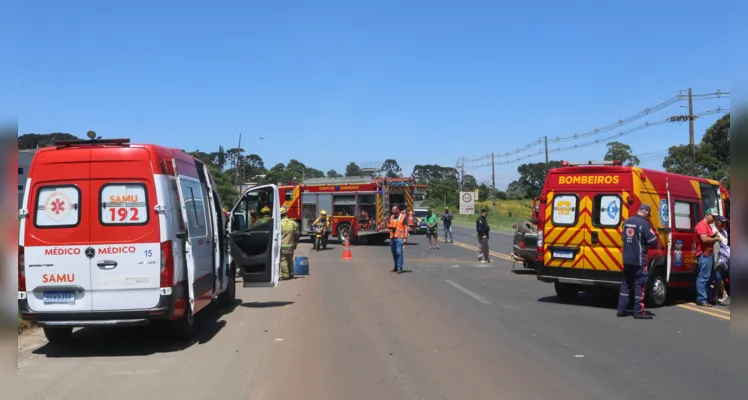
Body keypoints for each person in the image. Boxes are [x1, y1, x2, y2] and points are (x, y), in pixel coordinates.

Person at [617, 204, 658, 319]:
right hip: (639, 259)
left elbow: (623, 238)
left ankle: (621, 309)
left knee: (626, 284)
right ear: (645, 212)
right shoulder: (644, 223)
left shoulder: (627, 222)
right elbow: (653, 240)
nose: (648, 217)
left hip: (627, 259)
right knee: (640, 284)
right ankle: (638, 311)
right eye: (648, 214)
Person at [695, 209, 721, 307]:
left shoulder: (707, 226)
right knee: (703, 277)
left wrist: (713, 235)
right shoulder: (702, 225)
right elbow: (704, 239)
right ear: (707, 215)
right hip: (704, 254)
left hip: (708, 254)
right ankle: (701, 299)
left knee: (708, 277)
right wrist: (716, 238)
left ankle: (707, 297)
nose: (714, 219)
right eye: (713, 217)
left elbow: (707, 236)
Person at [712, 215, 730, 305]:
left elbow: (724, 244)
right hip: (716, 256)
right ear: (717, 222)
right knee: (718, 276)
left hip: (724, 258)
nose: (723, 224)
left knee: (719, 277)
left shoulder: (724, 232)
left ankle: (715, 296)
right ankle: (724, 292)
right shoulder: (713, 231)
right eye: (722, 222)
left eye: (724, 222)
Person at [279, 206, 297, 280]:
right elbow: (297, 234)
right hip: (292, 245)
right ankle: (291, 273)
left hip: (283, 245)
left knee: (283, 260)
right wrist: (295, 243)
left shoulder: (280, 223)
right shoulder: (293, 223)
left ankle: (285, 275)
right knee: (290, 259)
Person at [388, 206, 408, 273]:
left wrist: (405, 238)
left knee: (399, 252)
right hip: (392, 237)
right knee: (394, 253)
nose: (393, 213)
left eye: (395, 211)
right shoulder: (392, 217)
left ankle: (400, 268)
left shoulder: (403, 217)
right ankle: (396, 267)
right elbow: (389, 226)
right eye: (392, 211)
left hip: (400, 237)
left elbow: (406, 228)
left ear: (398, 210)